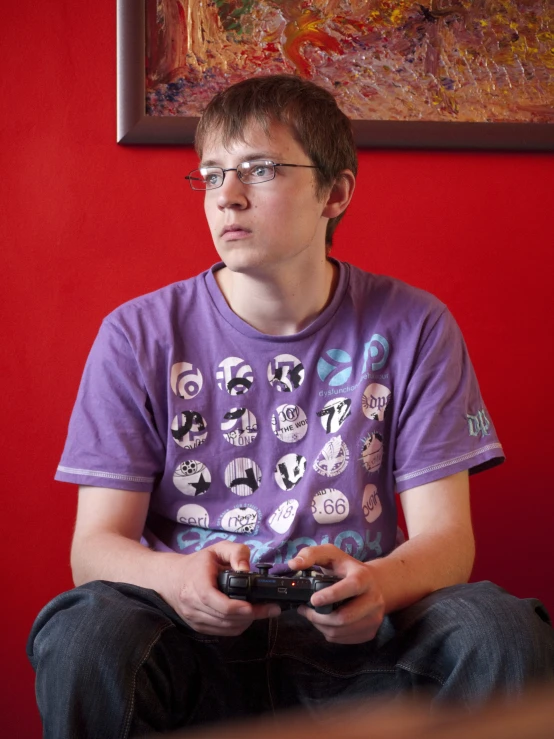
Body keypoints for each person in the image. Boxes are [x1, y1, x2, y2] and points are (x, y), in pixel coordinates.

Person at [27, 74, 554, 738]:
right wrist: (182, 580)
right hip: (192, 647)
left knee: (502, 629)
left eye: (261, 169)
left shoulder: (415, 326)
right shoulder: (137, 335)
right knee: (83, 631)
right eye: (212, 174)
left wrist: (379, 588)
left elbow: (449, 540)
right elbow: (94, 548)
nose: (227, 196)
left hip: (365, 654)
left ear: (335, 192)